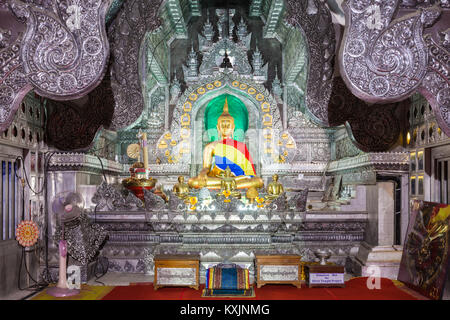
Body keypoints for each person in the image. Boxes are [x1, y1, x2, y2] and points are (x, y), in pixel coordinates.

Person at [188, 98, 263, 190]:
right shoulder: (210, 146)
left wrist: (243, 177)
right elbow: (206, 167)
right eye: (222, 125)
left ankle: (229, 183)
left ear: (233, 128)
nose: (225, 127)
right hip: (217, 178)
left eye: (228, 125)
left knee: (258, 181)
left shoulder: (241, 146)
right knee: (192, 181)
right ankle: (229, 184)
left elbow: (249, 173)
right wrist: (203, 173)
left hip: (237, 179)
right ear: (218, 128)